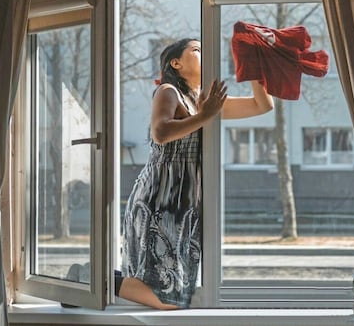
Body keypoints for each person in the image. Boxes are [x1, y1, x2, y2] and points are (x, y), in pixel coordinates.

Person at [117, 38, 274, 310]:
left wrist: (254, 63)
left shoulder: (204, 100)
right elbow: (161, 132)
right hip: (160, 198)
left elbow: (263, 105)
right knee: (169, 298)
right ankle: (90, 280)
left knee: (177, 288)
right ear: (176, 63)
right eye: (197, 50)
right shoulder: (168, 91)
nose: (205, 53)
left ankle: (93, 280)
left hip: (186, 201)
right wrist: (206, 115)